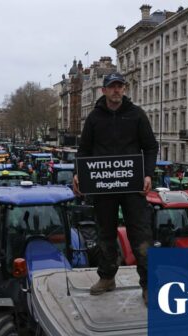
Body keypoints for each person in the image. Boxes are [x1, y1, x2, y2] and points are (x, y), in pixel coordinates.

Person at [73, 72, 158, 305]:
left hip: (133, 186)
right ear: (104, 90)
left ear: (125, 89)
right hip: (103, 187)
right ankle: (107, 276)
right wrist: (78, 174)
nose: (116, 90)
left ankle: (148, 285)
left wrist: (148, 174)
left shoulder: (137, 115)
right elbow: (84, 151)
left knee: (141, 236)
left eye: (120, 86)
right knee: (105, 233)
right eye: (112, 87)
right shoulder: (93, 118)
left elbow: (150, 147)